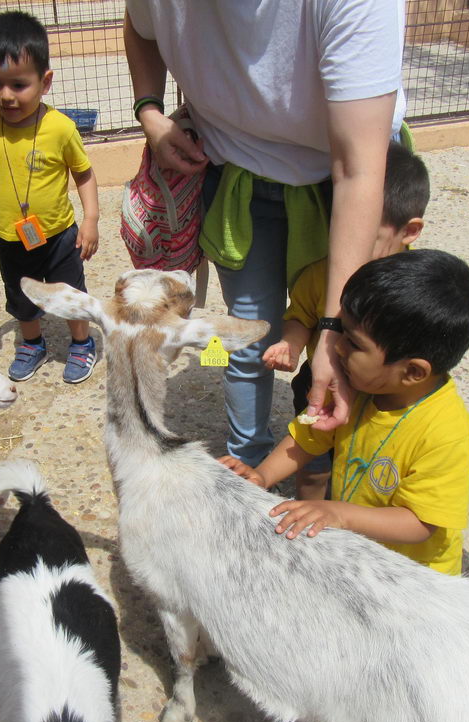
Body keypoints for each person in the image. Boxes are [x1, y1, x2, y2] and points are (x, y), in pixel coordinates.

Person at [124, 0, 403, 466]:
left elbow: (358, 171)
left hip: (345, 188)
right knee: (248, 338)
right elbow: (140, 27)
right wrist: (149, 111)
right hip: (238, 180)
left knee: (352, 347)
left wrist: (332, 327)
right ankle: (249, 464)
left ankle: (346, 470)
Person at [222, 250, 469, 576]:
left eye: (354, 343)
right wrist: (262, 475)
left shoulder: (446, 434)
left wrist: (338, 514)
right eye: (340, 331)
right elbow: (307, 437)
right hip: (360, 557)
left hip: (409, 578)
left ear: (413, 371)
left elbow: (421, 522)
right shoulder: (359, 387)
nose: (337, 348)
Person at [263, 141, 429, 499]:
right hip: (318, 389)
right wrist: (290, 344)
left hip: (380, 397)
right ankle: (308, 519)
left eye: (366, 236)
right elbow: (301, 315)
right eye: (340, 232)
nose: (348, 247)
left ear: (409, 231)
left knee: (361, 475)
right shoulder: (321, 274)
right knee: (314, 470)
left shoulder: (418, 290)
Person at [0, 10, 100, 384]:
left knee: (69, 293)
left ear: (45, 81)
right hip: (10, 235)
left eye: (18, 85)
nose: (5, 96)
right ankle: (32, 343)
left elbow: (83, 174)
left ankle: (82, 343)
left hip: (57, 235)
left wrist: (90, 220)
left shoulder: (60, 128)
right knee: (20, 295)